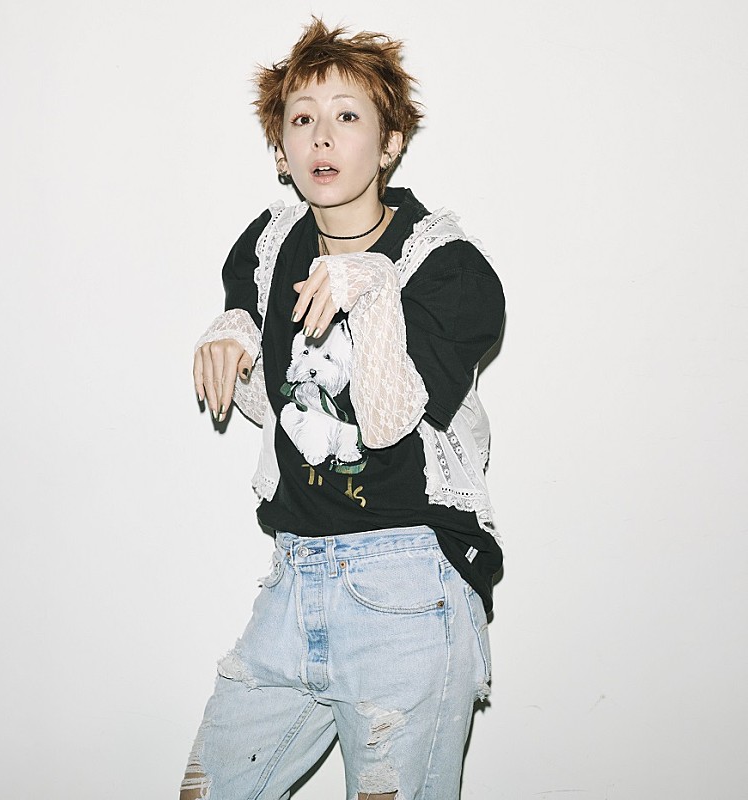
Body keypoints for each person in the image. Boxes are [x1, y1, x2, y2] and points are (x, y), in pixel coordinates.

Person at [182, 18, 505, 800]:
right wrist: (230, 329)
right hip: (294, 576)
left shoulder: (448, 269)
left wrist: (375, 288)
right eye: (302, 119)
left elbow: (389, 425)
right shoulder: (271, 244)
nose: (321, 136)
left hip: (408, 586)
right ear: (282, 150)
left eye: (348, 115)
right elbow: (250, 318)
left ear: (390, 144)